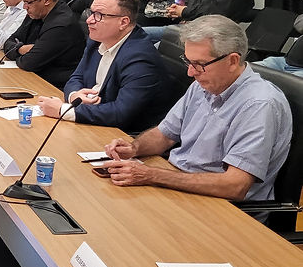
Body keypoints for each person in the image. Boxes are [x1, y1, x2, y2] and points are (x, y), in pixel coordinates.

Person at [102, 15, 291, 202]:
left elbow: (235, 185)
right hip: (181, 186)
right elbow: (164, 135)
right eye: (188, 62)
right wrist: (134, 148)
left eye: (199, 64)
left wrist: (151, 175)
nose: (190, 72)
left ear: (233, 61)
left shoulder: (259, 105)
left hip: (224, 209)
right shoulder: (204, 84)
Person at [37, 0, 167, 133]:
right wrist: (75, 95)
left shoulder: (141, 59)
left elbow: (121, 113)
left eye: (99, 15)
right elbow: (76, 76)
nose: (89, 20)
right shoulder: (97, 41)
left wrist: (63, 110)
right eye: (91, 12)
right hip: (91, 118)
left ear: (123, 22)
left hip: (121, 135)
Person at [3, 0, 85, 88]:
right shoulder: (36, 12)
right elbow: (8, 42)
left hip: (54, 87)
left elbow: (28, 63)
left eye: (28, 2)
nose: (24, 7)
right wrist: (21, 49)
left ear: (46, 0)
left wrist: (17, 50)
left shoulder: (61, 25)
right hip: (34, 78)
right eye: (24, 2)